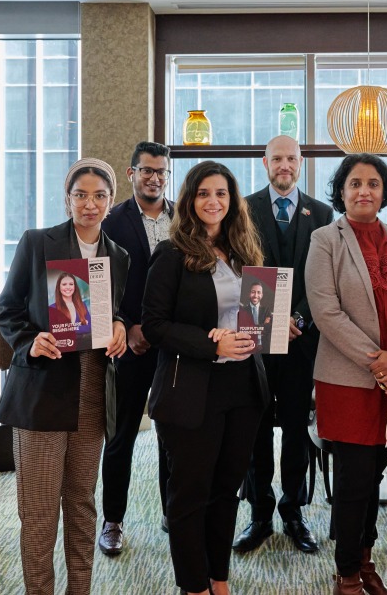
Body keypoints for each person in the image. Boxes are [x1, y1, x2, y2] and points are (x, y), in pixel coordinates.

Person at [0, 158, 129, 595]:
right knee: (38, 510)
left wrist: (122, 326)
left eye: (100, 196)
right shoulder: (38, 243)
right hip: (42, 390)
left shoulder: (118, 256)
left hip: (91, 391)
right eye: (81, 195)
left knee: (82, 504)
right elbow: (8, 310)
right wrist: (29, 341)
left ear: (111, 201)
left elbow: (112, 313)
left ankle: (81, 590)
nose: (90, 204)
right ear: (67, 198)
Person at [305, 153, 387, 595]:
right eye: (355, 183)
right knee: (353, 475)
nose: (364, 191)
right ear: (341, 191)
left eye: (373, 183)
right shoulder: (326, 239)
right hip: (348, 379)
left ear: (385, 191)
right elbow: (325, 310)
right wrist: (378, 363)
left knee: (376, 471)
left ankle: (365, 558)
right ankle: (345, 571)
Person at [141, 161, 269, 595]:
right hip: (191, 390)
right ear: (189, 200)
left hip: (243, 389)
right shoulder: (171, 254)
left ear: (233, 201)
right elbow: (154, 325)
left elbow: (252, 316)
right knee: (190, 494)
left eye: (222, 193)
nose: (213, 201)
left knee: (227, 490)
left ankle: (219, 579)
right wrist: (210, 343)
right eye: (203, 193)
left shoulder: (244, 251)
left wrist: (273, 326)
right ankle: (193, 585)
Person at [235, 135, 333, 556]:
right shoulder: (242, 209)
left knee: (296, 429)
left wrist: (297, 318)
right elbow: (239, 266)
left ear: (301, 161)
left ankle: (294, 511)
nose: (285, 165)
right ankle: (260, 513)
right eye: (277, 158)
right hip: (256, 337)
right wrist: (273, 318)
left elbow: (324, 276)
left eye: (292, 158)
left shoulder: (324, 213)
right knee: (255, 427)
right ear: (264, 162)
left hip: (303, 339)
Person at [98, 141, 174, 556]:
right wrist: (126, 325)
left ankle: (170, 510)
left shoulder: (184, 217)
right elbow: (101, 282)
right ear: (131, 174)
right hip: (128, 345)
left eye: (161, 171)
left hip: (173, 348)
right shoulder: (112, 220)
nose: (155, 177)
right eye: (146, 170)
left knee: (172, 435)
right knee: (121, 434)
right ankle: (112, 520)